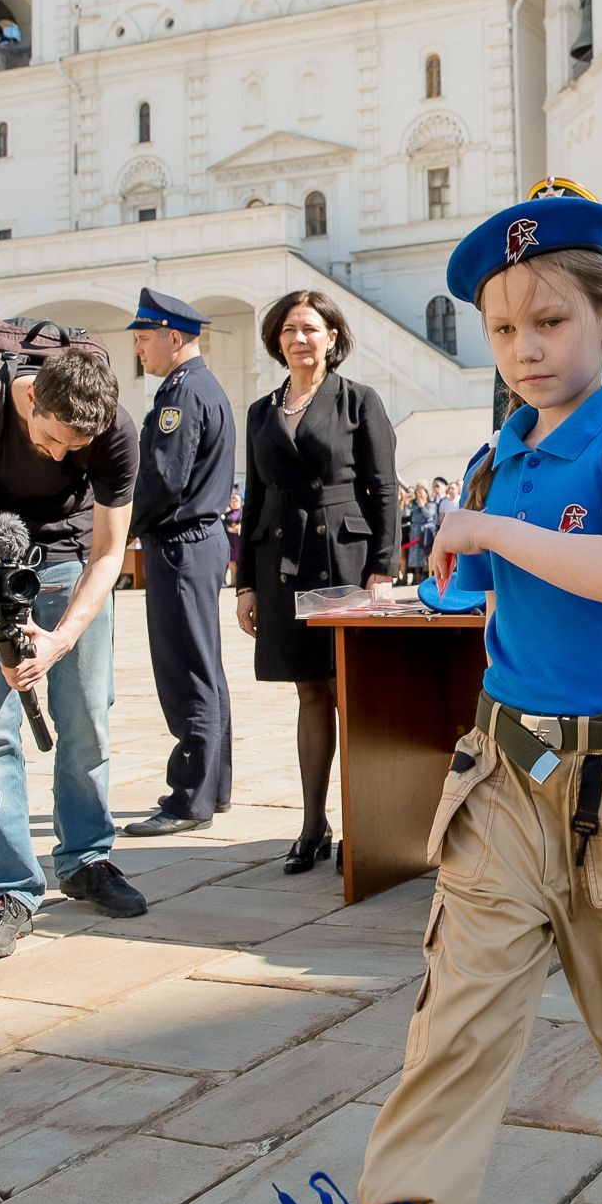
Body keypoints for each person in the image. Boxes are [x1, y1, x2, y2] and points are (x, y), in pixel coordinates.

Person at [283, 193, 602, 1204]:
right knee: (460, 1006)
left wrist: (485, 528)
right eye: (501, 330)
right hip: (504, 768)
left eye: (548, 323)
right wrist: (420, 583)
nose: (524, 351)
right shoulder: (497, 456)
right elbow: (474, 592)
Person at [0, 344, 146, 958]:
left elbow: (109, 552)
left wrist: (64, 637)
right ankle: (10, 888)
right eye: (50, 439)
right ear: (30, 399)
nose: (59, 456)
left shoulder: (114, 430)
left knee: (86, 718)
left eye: (75, 448)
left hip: (71, 561)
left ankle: (87, 860)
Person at [236, 290, 398, 873]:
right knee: (308, 690)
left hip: (343, 557)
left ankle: (363, 823)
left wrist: (383, 570)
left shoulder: (359, 401)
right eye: (287, 330)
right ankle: (312, 822)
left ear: (333, 335)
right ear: (276, 341)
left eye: (309, 328)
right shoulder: (260, 410)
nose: (297, 338)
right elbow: (254, 497)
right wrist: (244, 584)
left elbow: (384, 489)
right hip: (280, 559)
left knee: (347, 692)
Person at [121, 288, 237, 837]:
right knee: (204, 666)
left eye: (144, 339)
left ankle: (190, 795)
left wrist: (119, 526)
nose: (139, 350)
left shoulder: (181, 394)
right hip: (196, 540)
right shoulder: (196, 386)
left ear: (173, 337)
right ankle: (213, 787)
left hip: (181, 541)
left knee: (186, 670)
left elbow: (163, 479)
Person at [405, 482, 438, 580]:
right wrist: (407, 503)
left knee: (425, 554)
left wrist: (422, 506)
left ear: (427, 494)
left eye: (421, 493)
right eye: (418, 493)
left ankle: (425, 574)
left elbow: (429, 515)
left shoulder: (431, 504)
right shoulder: (414, 505)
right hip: (415, 531)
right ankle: (416, 575)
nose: (419, 495)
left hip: (425, 532)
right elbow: (406, 514)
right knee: (414, 554)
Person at [225, 490, 244, 585]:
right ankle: (233, 581)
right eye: (232, 501)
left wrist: (240, 528)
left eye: (236, 500)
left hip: (241, 540)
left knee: (242, 560)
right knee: (232, 561)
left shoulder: (244, 513)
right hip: (231, 540)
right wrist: (233, 529)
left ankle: (242, 581)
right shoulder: (226, 516)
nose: (234, 502)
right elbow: (226, 527)